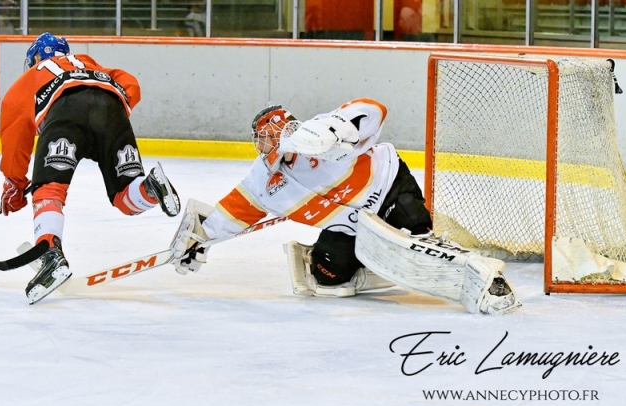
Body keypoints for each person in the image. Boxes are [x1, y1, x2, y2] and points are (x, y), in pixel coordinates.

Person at [168, 98, 520, 315]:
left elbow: (373, 109)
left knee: (416, 232)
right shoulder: (264, 180)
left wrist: (337, 129)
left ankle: (480, 278)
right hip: (350, 228)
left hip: (388, 189)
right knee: (327, 280)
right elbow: (233, 213)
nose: (261, 145)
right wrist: (202, 237)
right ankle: (378, 265)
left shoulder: (322, 131)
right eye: (259, 140)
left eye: (265, 136)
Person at [0, 32, 181, 305]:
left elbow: (15, 130)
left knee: (50, 190)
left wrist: (14, 182)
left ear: (36, 57)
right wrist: (116, 107)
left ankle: (50, 254)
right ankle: (151, 186)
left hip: (64, 111)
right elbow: (130, 83)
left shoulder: (31, 76)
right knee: (125, 197)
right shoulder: (86, 62)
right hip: (110, 107)